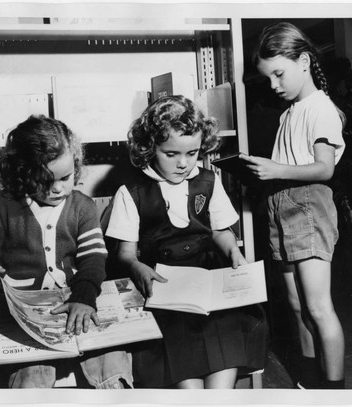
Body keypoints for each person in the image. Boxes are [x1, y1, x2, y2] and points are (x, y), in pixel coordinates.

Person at [105, 95, 267, 389]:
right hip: (166, 289)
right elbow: (125, 254)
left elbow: (220, 231)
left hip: (209, 282)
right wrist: (137, 267)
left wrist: (234, 253)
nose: (183, 163)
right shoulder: (131, 192)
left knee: (225, 336)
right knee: (184, 371)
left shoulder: (208, 180)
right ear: (149, 147)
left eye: (192, 153)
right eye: (171, 154)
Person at [0, 114, 132, 389]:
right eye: (43, 180)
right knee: (31, 375)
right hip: (26, 308)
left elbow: (93, 258)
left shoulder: (83, 206)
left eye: (65, 178)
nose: (56, 188)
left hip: (78, 296)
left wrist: (84, 297)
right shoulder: (1, 206)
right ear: (21, 173)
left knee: (111, 361)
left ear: (76, 166)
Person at [242, 22, 346, 389]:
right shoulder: (290, 112)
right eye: (267, 77)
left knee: (318, 307)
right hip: (280, 206)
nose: (273, 85)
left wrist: (276, 170)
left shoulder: (321, 108)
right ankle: (307, 381)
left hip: (308, 205)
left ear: (303, 61)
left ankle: (334, 389)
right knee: (297, 305)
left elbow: (324, 168)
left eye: (278, 74)